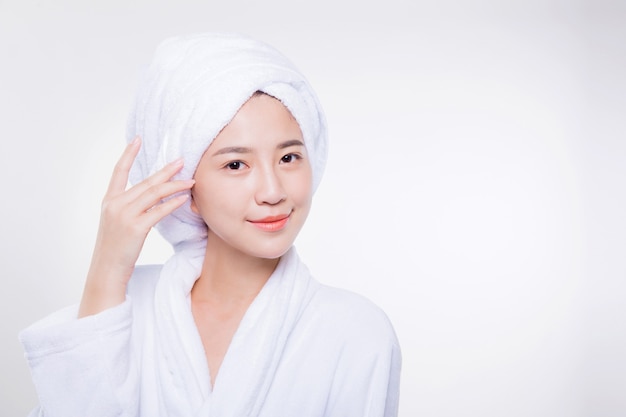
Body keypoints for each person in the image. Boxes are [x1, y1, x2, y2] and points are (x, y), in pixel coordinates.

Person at [20, 33, 401, 417]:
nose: (272, 191)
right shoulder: (124, 307)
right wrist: (106, 270)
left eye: (288, 157)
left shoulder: (356, 332)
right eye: (236, 164)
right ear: (185, 186)